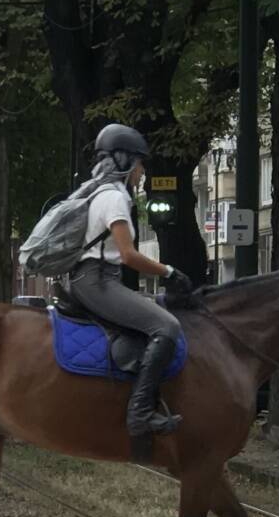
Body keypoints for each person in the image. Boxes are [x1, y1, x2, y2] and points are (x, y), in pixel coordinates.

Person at [66, 123, 194, 436]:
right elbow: (128, 255)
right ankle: (139, 413)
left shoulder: (100, 193)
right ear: (124, 161)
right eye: (139, 164)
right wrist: (169, 272)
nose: (142, 172)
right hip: (97, 281)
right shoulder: (114, 198)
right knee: (167, 326)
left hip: (94, 278)